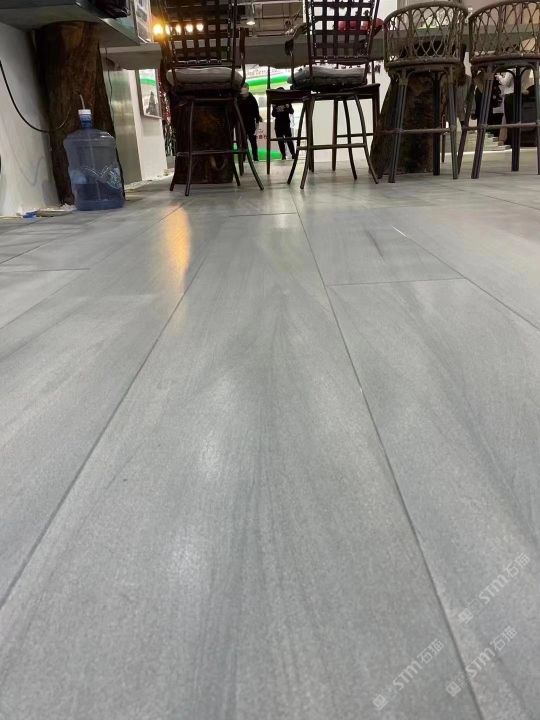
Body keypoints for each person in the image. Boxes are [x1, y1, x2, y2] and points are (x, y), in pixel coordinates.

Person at [238, 83, 262, 161]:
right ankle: (243, 158)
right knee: (243, 142)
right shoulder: (238, 99)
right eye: (242, 87)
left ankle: (255, 157)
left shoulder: (252, 99)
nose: (243, 89)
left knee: (253, 141)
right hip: (241, 123)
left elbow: (256, 111)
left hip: (251, 123)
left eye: (245, 87)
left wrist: (257, 121)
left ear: (248, 89)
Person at [272, 89, 295, 160]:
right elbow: (273, 114)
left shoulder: (287, 101)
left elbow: (291, 111)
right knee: (280, 141)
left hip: (286, 123)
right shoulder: (275, 101)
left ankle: (293, 154)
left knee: (289, 139)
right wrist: (274, 108)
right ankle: (283, 155)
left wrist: (288, 107)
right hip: (278, 124)